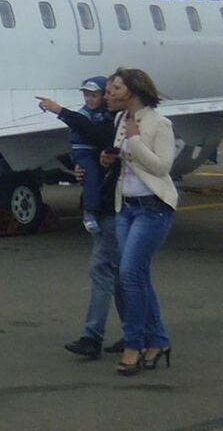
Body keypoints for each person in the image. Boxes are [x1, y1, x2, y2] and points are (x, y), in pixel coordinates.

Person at [39, 76, 123, 359]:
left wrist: (60, 111)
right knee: (122, 275)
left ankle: (94, 337)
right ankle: (140, 333)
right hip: (111, 206)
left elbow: (97, 136)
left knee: (106, 271)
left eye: (111, 92)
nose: (106, 97)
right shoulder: (109, 122)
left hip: (117, 209)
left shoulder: (115, 123)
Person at [107, 68, 177, 377]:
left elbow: (162, 167)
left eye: (116, 88)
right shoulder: (120, 121)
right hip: (128, 207)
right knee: (138, 277)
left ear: (133, 92)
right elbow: (129, 163)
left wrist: (134, 144)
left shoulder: (159, 123)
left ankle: (134, 344)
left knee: (129, 276)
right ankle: (158, 340)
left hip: (153, 208)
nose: (109, 93)